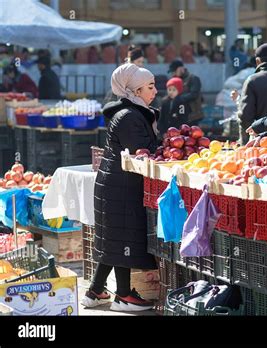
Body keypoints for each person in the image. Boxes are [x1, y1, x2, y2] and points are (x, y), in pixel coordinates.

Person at [82, 63, 158, 312]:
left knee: (114, 239)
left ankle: (95, 291)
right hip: (121, 186)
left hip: (117, 184)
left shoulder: (133, 112)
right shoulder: (129, 116)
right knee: (122, 237)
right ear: (135, 91)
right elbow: (142, 151)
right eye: (150, 87)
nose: (155, 91)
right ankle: (123, 296)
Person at [236, 43, 267, 145]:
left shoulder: (253, 80)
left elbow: (245, 117)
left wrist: (245, 143)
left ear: (257, 61)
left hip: (262, 141)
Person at [168, 60, 203, 126]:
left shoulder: (193, 78)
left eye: (174, 71)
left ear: (180, 69)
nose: (173, 74)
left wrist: (179, 98)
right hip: (179, 116)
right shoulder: (175, 80)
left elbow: (194, 94)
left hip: (192, 116)